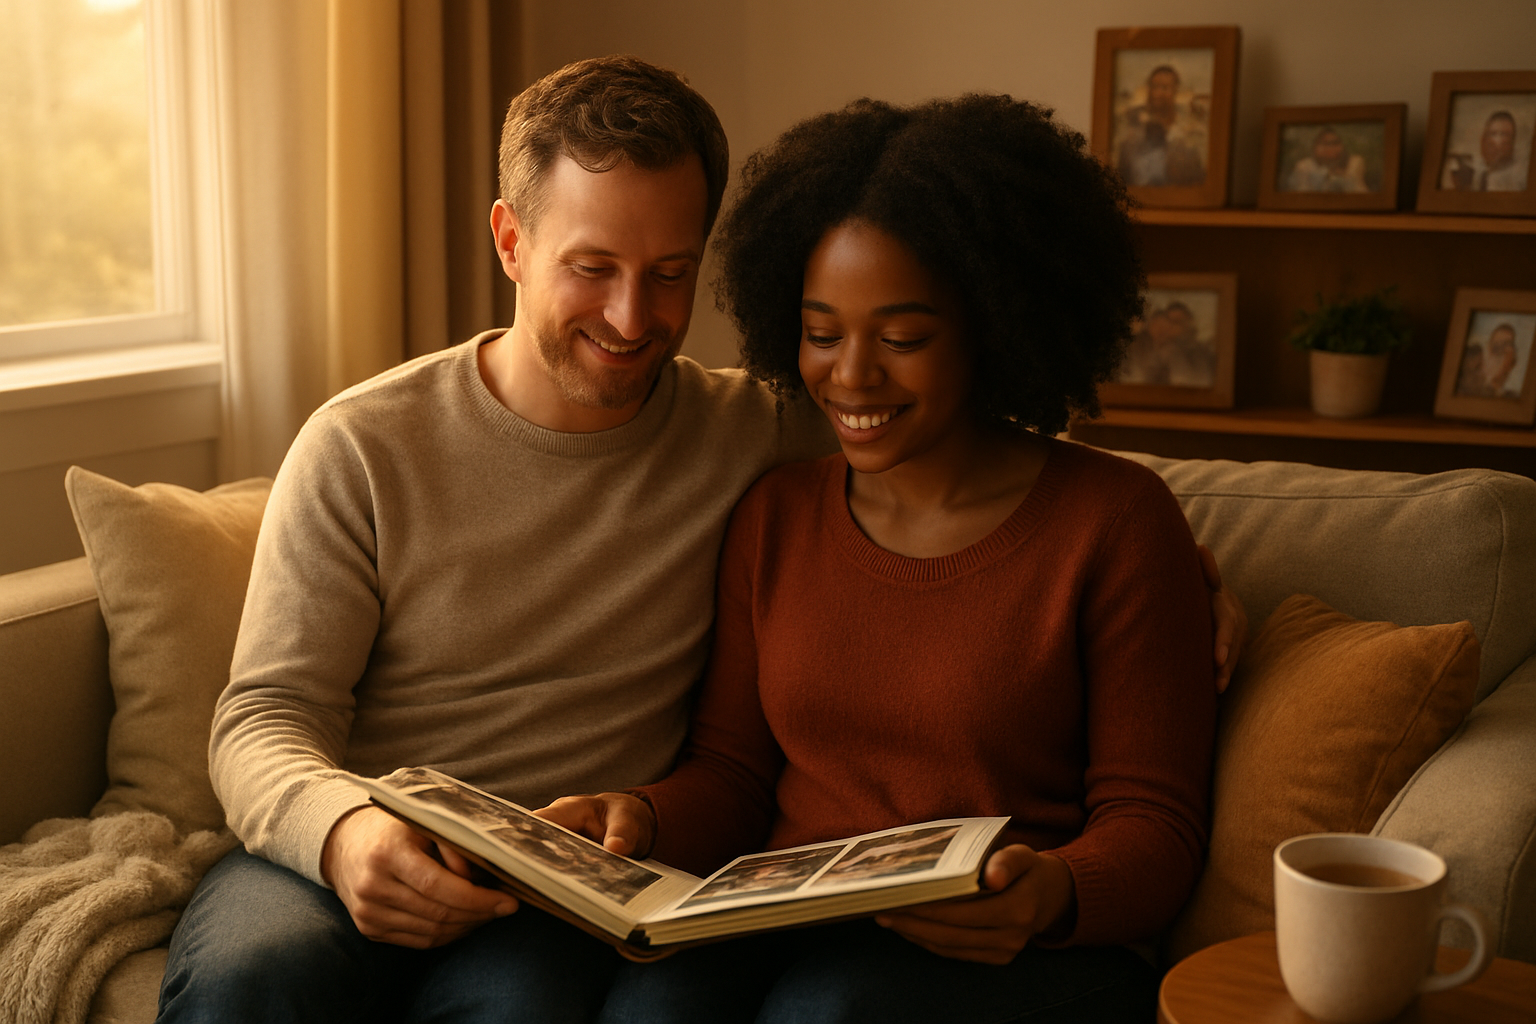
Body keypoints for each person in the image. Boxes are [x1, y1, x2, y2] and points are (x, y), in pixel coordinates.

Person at [157, 58, 1245, 1023]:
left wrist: (1195, 575)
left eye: (672, 271)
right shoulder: (362, 444)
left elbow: (966, 454)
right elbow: (264, 716)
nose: (633, 318)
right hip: (358, 832)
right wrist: (347, 835)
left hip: (572, 895)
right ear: (510, 240)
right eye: (593, 266)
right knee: (257, 981)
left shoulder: (755, 434)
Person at [544, 94, 1219, 1023]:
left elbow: (1158, 824)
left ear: (992, 324)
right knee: (645, 1008)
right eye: (822, 334)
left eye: (901, 339)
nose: (851, 376)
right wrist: (643, 815)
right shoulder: (775, 517)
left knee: (834, 1010)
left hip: (1017, 950)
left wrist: (1050, 891)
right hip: (792, 926)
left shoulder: (1116, 521)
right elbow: (737, 777)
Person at [1115, 64, 1206, 187]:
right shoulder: (1131, 136)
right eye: (1155, 87)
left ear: (1175, 91)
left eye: (1165, 87)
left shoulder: (1188, 135)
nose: (1158, 93)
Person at [1117, 300, 1216, 387]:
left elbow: (1192, 381)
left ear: (1190, 324)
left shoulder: (1199, 353)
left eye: (1176, 322)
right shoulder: (1141, 347)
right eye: (1169, 322)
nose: (1169, 328)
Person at [1443, 110, 1527, 192]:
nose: (1495, 141)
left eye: (1503, 134)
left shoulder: (1520, 175)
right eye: (1492, 133)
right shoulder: (1479, 169)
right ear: (1483, 139)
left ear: (1512, 142)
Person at [1285, 126, 1368, 193]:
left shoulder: (1354, 162)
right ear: (1315, 146)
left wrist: (1343, 178)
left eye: (1335, 143)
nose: (1330, 148)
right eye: (1325, 143)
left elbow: (1361, 193)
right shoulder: (1304, 165)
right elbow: (1299, 195)